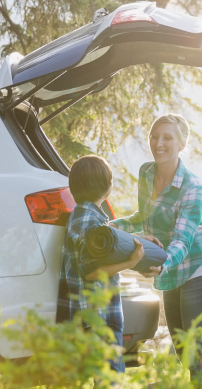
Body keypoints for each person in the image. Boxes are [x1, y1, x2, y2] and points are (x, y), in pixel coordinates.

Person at [111, 114, 202, 389]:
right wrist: (109, 228)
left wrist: (162, 264)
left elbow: (183, 240)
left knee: (198, 356)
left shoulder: (192, 187)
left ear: (182, 144)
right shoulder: (146, 173)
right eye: (155, 136)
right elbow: (143, 216)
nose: (159, 143)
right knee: (185, 353)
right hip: (173, 268)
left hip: (201, 268)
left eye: (167, 138)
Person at [60, 155, 146, 375]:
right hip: (99, 314)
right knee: (111, 376)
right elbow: (91, 273)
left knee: (105, 375)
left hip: (97, 313)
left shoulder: (85, 217)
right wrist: (131, 262)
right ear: (108, 186)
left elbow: (110, 244)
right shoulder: (90, 222)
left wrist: (143, 240)